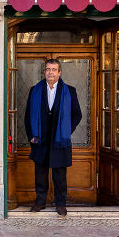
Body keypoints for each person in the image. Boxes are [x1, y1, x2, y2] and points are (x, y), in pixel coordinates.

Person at [24, 58, 82, 216]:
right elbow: (27, 116)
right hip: (40, 139)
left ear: (59, 72)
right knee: (40, 174)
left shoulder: (70, 91)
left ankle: (61, 204)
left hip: (59, 141)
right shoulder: (34, 90)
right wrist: (31, 136)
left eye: (54, 69)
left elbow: (77, 115)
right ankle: (40, 201)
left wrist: (66, 131)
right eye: (48, 69)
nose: (50, 72)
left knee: (60, 175)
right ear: (45, 72)